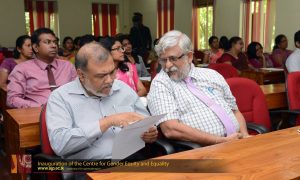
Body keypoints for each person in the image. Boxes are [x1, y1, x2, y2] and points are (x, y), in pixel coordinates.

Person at [46, 42, 157, 160]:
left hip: (133, 159)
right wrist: (108, 122)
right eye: (101, 76)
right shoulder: (60, 98)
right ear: (81, 75)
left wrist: (149, 132)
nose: (109, 80)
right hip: (92, 167)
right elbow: (60, 145)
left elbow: (146, 121)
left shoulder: (123, 89)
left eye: (112, 72)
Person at [147, 30, 250, 146]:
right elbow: (170, 129)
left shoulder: (212, 75)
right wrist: (221, 141)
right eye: (163, 60)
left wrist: (245, 136)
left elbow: (235, 111)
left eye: (173, 59)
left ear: (189, 56)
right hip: (205, 149)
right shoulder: (161, 83)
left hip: (238, 143)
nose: (167, 65)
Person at [7, 28, 77, 108]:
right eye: (47, 42)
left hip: (68, 112)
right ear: (36, 47)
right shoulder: (22, 69)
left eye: (55, 42)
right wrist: (40, 107)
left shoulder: (67, 66)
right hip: (37, 114)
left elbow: (79, 92)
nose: (54, 46)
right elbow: (12, 99)